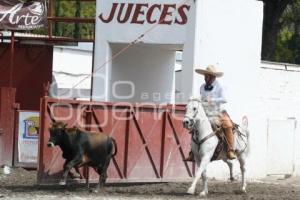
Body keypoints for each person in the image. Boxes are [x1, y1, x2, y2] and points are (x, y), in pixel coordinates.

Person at [184, 65, 236, 161]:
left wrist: (213, 100)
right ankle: (192, 152)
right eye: (205, 76)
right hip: (205, 113)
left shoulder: (220, 87)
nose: (205, 78)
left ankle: (230, 150)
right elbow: (201, 98)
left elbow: (225, 99)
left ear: (213, 77)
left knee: (228, 125)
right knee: (195, 126)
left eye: (207, 76)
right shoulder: (202, 87)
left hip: (218, 113)